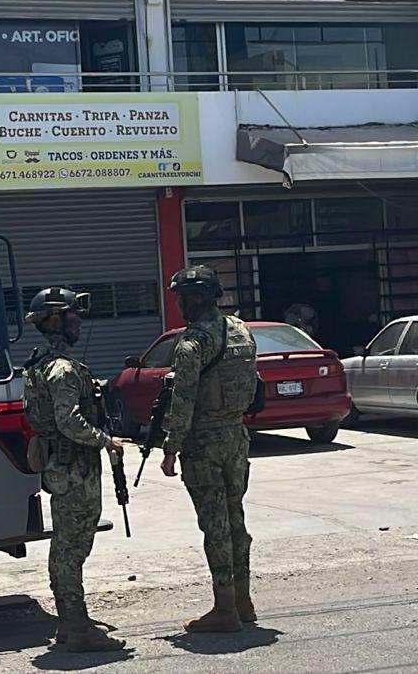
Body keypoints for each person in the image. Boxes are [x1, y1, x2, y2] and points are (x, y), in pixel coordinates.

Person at [21, 287, 128, 653]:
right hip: (73, 469)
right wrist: (106, 441)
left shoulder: (39, 362)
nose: (79, 321)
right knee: (71, 549)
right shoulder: (62, 369)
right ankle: (78, 626)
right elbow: (69, 421)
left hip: (61, 467)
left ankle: (70, 623)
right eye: (72, 315)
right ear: (55, 320)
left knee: (66, 547)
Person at [161, 265, 261, 633]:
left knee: (215, 525)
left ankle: (224, 608)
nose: (179, 304)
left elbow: (184, 401)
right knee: (236, 519)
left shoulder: (192, 343)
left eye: (182, 297)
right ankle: (243, 599)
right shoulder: (240, 330)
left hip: (204, 441)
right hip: (236, 436)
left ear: (198, 297)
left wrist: (171, 449)